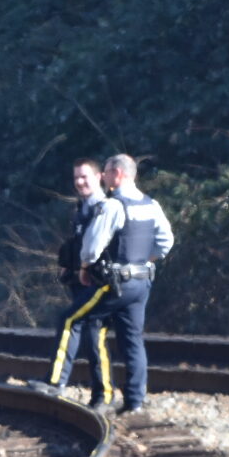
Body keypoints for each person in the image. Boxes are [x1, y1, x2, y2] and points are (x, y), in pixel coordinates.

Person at [73, 153, 175, 416]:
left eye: (106, 172)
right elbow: (165, 242)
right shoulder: (152, 205)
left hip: (116, 281)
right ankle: (135, 400)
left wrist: (85, 268)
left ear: (118, 174)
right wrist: (143, 261)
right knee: (133, 339)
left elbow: (93, 245)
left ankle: (102, 395)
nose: (104, 177)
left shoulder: (114, 205)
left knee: (89, 323)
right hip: (142, 282)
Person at [28, 159, 114, 409]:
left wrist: (87, 269)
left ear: (98, 177)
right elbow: (76, 243)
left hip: (99, 281)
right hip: (81, 280)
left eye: (84, 177)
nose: (79, 182)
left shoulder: (104, 207)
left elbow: (99, 245)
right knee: (90, 335)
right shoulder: (82, 207)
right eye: (76, 177)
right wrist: (68, 266)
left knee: (76, 324)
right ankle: (101, 396)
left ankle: (59, 383)